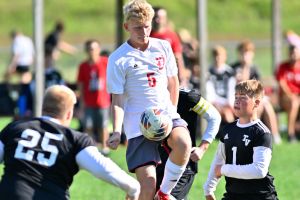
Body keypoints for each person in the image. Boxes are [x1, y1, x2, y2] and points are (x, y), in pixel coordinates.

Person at [106, 0, 192, 199]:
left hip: (165, 114)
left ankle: (164, 194)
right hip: (138, 124)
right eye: (137, 28)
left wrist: (172, 112)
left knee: (184, 144)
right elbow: (117, 99)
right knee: (146, 186)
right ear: (126, 26)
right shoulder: (118, 58)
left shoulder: (163, 46)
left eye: (147, 26)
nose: (143, 32)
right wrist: (117, 132)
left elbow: (173, 82)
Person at [0, 85, 140, 200]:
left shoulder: (15, 128)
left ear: (43, 108)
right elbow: (104, 168)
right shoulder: (74, 140)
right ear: (69, 114)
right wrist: (133, 187)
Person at [203, 80, 278, 200]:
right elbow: (218, 160)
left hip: (260, 196)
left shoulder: (262, 133)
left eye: (243, 97)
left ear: (256, 103)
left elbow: (259, 170)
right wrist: (208, 189)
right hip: (233, 195)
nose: (237, 100)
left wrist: (224, 169)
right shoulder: (227, 129)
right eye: (236, 97)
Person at [156, 88, 221, 200]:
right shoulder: (150, 96)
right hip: (156, 162)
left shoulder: (188, 97)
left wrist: (202, 148)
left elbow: (214, 117)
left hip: (184, 165)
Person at [232, 40, 282, 144]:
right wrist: (245, 67)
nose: (245, 55)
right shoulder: (235, 68)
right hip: (238, 98)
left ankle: (275, 135)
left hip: (252, 98)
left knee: (265, 105)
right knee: (256, 105)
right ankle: (253, 133)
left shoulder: (254, 68)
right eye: (243, 52)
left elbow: (258, 87)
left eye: (248, 52)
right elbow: (241, 86)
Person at [77, 39, 111, 154]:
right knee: (88, 126)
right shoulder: (83, 66)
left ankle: (105, 147)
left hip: (102, 101)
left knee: (103, 125)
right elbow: (81, 84)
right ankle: (91, 147)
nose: (92, 51)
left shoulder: (105, 62)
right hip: (89, 101)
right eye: (90, 49)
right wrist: (81, 102)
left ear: (99, 50)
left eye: (94, 48)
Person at [150, 6, 189, 87]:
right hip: (152, 75)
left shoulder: (171, 35)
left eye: (161, 17)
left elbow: (178, 56)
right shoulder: (147, 35)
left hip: (168, 75)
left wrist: (181, 75)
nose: (158, 20)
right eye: (156, 17)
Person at [4, 30, 34, 119]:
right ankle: (22, 108)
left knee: (10, 80)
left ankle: (18, 107)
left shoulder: (17, 40)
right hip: (27, 65)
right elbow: (33, 55)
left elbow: (16, 55)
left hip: (20, 65)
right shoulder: (28, 40)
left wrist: (11, 66)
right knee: (25, 85)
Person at [275, 44, 300, 143]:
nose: (293, 54)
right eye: (292, 52)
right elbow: (282, 84)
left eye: (296, 52)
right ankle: (291, 134)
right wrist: (291, 95)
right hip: (285, 97)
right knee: (293, 102)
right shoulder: (283, 66)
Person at [206, 45, 236, 125]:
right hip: (215, 103)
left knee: (230, 114)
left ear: (225, 57)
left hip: (228, 103)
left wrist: (229, 104)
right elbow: (210, 92)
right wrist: (217, 104)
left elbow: (231, 90)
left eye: (220, 56)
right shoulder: (209, 72)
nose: (217, 58)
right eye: (215, 55)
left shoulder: (229, 72)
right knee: (226, 115)